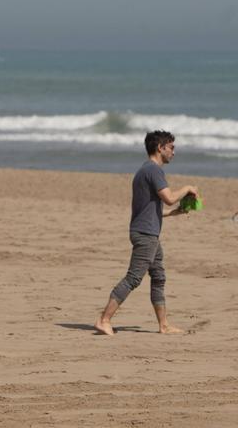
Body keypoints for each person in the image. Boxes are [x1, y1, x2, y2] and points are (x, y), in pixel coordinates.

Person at [94, 130, 199, 336]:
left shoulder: (145, 170)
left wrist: (173, 213)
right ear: (160, 148)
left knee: (158, 277)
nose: (174, 152)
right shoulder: (153, 170)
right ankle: (103, 319)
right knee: (134, 278)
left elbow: (151, 209)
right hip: (145, 234)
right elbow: (169, 197)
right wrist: (187, 188)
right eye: (171, 147)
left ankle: (164, 325)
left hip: (148, 232)